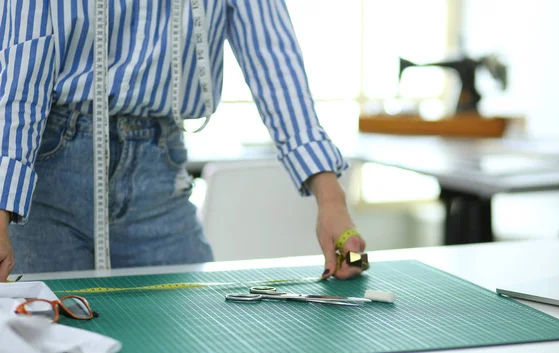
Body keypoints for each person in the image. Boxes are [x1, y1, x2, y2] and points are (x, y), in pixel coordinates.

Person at [0, 0, 366, 281]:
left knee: (192, 351)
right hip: (44, 180)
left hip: (158, 171)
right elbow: (19, 73)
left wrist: (331, 198)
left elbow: (271, 55)